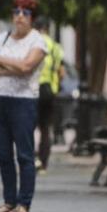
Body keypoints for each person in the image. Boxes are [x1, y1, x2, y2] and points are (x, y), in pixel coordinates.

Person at [0, 0, 49, 212]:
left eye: (25, 13)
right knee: (3, 153)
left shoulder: (37, 41)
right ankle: (9, 201)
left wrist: (2, 62)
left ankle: (24, 203)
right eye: (16, 12)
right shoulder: (3, 38)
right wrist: (11, 66)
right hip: (0, 99)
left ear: (32, 18)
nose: (20, 16)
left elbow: (26, 67)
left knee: (24, 154)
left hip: (24, 102)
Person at [33, 17, 64, 173]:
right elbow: (61, 71)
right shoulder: (55, 46)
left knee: (29, 127)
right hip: (48, 90)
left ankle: (31, 160)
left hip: (32, 89)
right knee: (45, 128)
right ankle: (43, 164)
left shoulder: (32, 43)